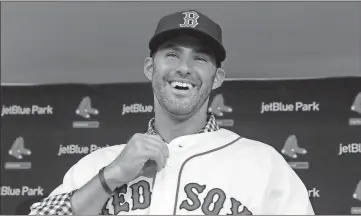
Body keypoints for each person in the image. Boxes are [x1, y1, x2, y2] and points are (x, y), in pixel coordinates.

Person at [29, 10, 314, 215]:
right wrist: (112, 176)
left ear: (217, 78)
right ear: (151, 68)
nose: (185, 68)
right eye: (172, 54)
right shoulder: (98, 165)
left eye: (200, 58)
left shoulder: (263, 165)